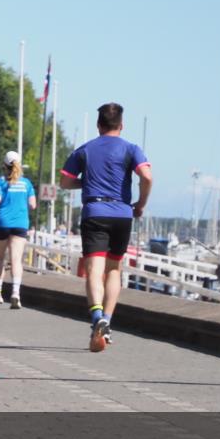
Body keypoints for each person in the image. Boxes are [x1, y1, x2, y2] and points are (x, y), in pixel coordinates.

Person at [60, 102, 152, 352]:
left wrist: (87, 183)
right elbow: (146, 176)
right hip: (122, 213)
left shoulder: (85, 149)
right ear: (121, 126)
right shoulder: (132, 149)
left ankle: (96, 317)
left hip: (95, 212)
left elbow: (65, 182)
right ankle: (107, 322)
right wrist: (141, 204)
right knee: (114, 270)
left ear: (99, 125)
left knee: (93, 270)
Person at [0, 151, 36, 310]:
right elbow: (33, 205)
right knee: (16, 259)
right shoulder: (27, 183)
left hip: (2, 222)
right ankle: (15, 293)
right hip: (20, 223)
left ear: (4, 165)